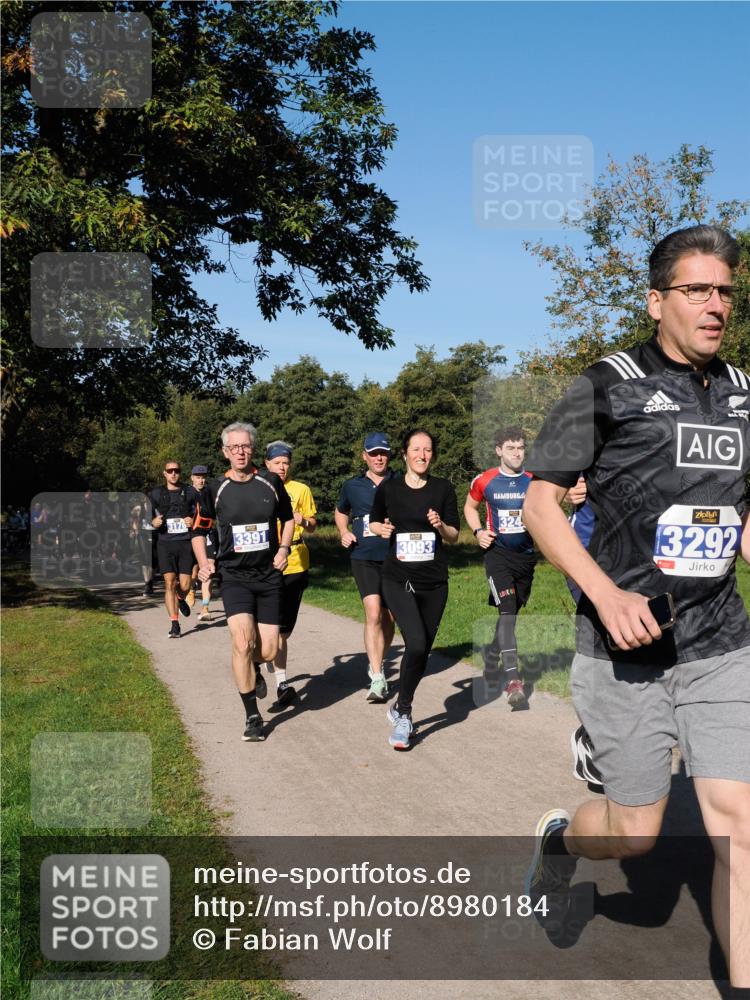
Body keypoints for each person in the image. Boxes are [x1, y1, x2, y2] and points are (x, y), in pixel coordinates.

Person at [522, 224, 750, 987]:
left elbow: (742, 513)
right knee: (634, 838)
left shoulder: (746, 395)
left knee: (741, 828)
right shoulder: (602, 384)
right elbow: (542, 506)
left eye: (724, 290)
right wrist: (605, 591)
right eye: (697, 290)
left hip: (720, 639)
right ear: (657, 301)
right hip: (625, 647)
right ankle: (560, 844)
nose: (715, 305)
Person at [192, 422, 295, 742]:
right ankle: (252, 715)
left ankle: (255, 668)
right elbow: (199, 530)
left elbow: (288, 519)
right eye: (233, 447)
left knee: (267, 648)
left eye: (245, 446)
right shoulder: (214, 489)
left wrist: (283, 548)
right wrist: (204, 562)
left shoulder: (270, 483)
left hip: (267, 575)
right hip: (234, 576)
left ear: (253, 449)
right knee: (241, 642)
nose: (239, 452)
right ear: (225, 451)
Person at [369, 429, 460, 749]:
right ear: (405, 453)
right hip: (397, 578)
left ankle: (399, 705)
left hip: (434, 583)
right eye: (416, 449)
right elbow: (373, 522)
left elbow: (454, 535)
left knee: (420, 651)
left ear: (432, 455)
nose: (422, 455)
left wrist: (440, 525)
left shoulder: (443, 489)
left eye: (428, 450)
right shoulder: (389, 488)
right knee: (417, 643)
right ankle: (405, 714)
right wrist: (382, 528)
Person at [464, 427, 537, 710]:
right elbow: (470, 507)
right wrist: (478, 531)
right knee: (506, 611)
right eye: (511, 448)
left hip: (526, 559)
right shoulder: (485, 480)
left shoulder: (534, 481)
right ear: (498, 450)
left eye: (520, 448)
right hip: (497, 556)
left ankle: (492, 653)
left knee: (511, 614)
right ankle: (513, 681)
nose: (517, 453)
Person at [335, 433, 397, 703]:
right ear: (364, 456)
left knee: (390, 618)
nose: (379, 457)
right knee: (373, 613)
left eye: (383, 452)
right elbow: (340, 511)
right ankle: (376, 675)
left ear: (389, 455)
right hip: (363, 556)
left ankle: (379, 659)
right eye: (373, 453)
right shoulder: (352, 485)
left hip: (396, 557)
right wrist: (343, 532)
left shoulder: (401, 481)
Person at [260, 441, 317, 707]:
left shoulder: (301, 489)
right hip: (266, 563)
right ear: (267, 463)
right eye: (277, 462)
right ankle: (280, 681)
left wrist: (303, 520)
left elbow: (314, 525)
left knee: (284, 630)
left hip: (295, 562)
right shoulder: (258, 487)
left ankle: (274, 667)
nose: (282, 467)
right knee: (266, 625)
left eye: (286, 463)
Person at [150, 461, 194, 638]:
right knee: (169, 582)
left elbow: (201, 513)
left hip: (185, 542)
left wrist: (192, 520)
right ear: (164, 473)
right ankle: (174, 623)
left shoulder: (190, 492)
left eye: (176, 471)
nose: (174, 473)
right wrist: (153, 523)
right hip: (165, 543)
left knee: (184, 584)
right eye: (170, 471)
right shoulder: (156, 493)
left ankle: (180, 597)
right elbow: (146, 518)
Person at [188, 465, 214, 620]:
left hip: (209, 535)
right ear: (192, 478)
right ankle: (191, 588)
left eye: (203, 477)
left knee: (208, 571)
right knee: (193, 572)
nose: (201, 480)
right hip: (193, 536)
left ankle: (205, 608)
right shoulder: (186, 493)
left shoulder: (209, 492)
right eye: (198, 477)